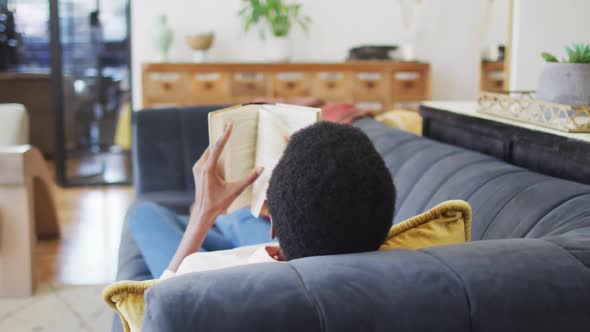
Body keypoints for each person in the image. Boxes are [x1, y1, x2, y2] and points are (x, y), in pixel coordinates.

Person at [127, 121, 396, 279]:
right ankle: (227, 217)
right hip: (288, 249)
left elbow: (156, 307)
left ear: (274, 225)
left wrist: (203, 214)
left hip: (257, 253)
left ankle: (219, 216)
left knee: (144, 213)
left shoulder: (198, 276)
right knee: (237, 219)